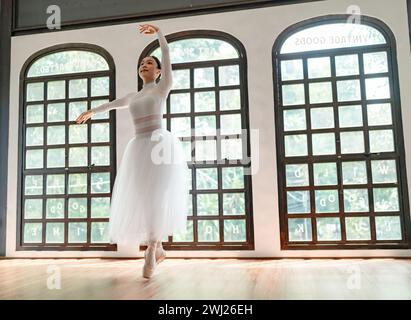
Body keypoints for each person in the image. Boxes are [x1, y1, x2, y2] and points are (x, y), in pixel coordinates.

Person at [75, 24, 190, 279]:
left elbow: (167, 57)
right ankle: (157, 246)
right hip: (139, 147)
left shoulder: (162, 87)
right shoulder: (132, 96)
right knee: (144, 197)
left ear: (158, 71)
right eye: (142, 63)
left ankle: (151, 249)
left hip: (160, 145)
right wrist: (91, 112)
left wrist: (160, 33)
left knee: (158, 196)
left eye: (150, 63)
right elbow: (111, 105)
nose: (145, 65)